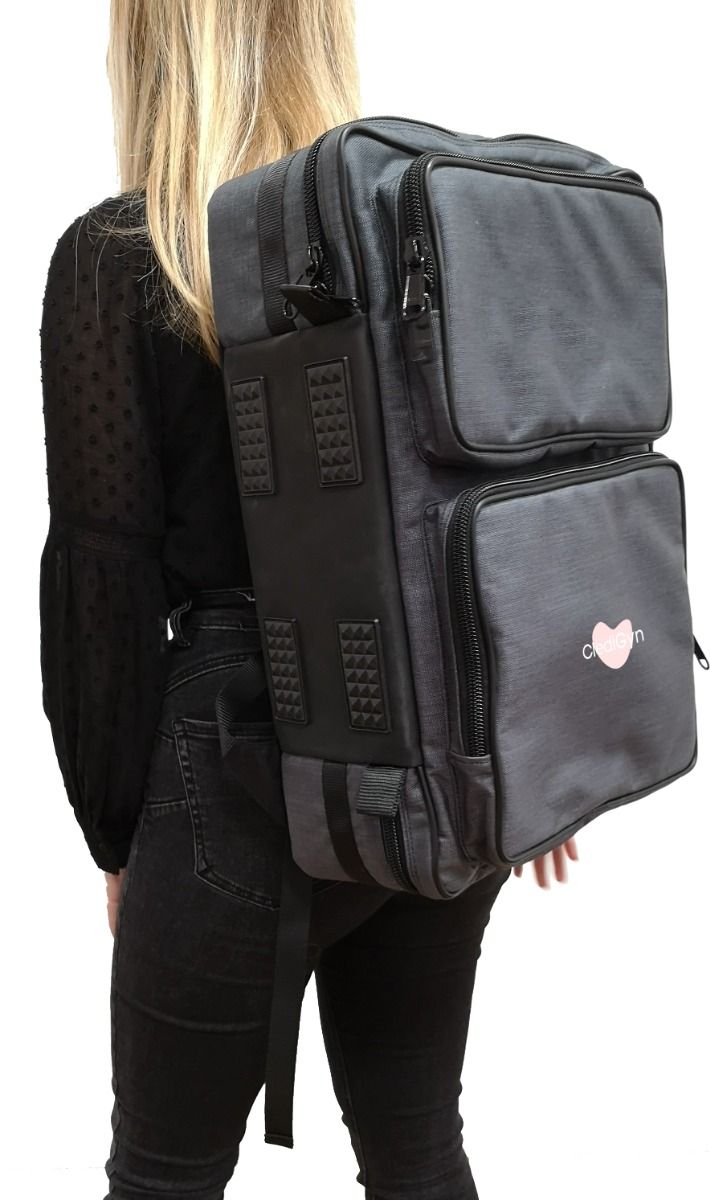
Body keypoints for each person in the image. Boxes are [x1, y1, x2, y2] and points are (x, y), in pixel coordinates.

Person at [38, 2, 578, 1197]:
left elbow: (104, 581)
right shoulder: (415, 231)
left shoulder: (123, 258)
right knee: (415, 1145)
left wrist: (115, 829)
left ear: (151, 46)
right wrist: (538, 746)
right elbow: (513, 487)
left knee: (164, 1177)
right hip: (437, 746)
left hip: (234, 767)